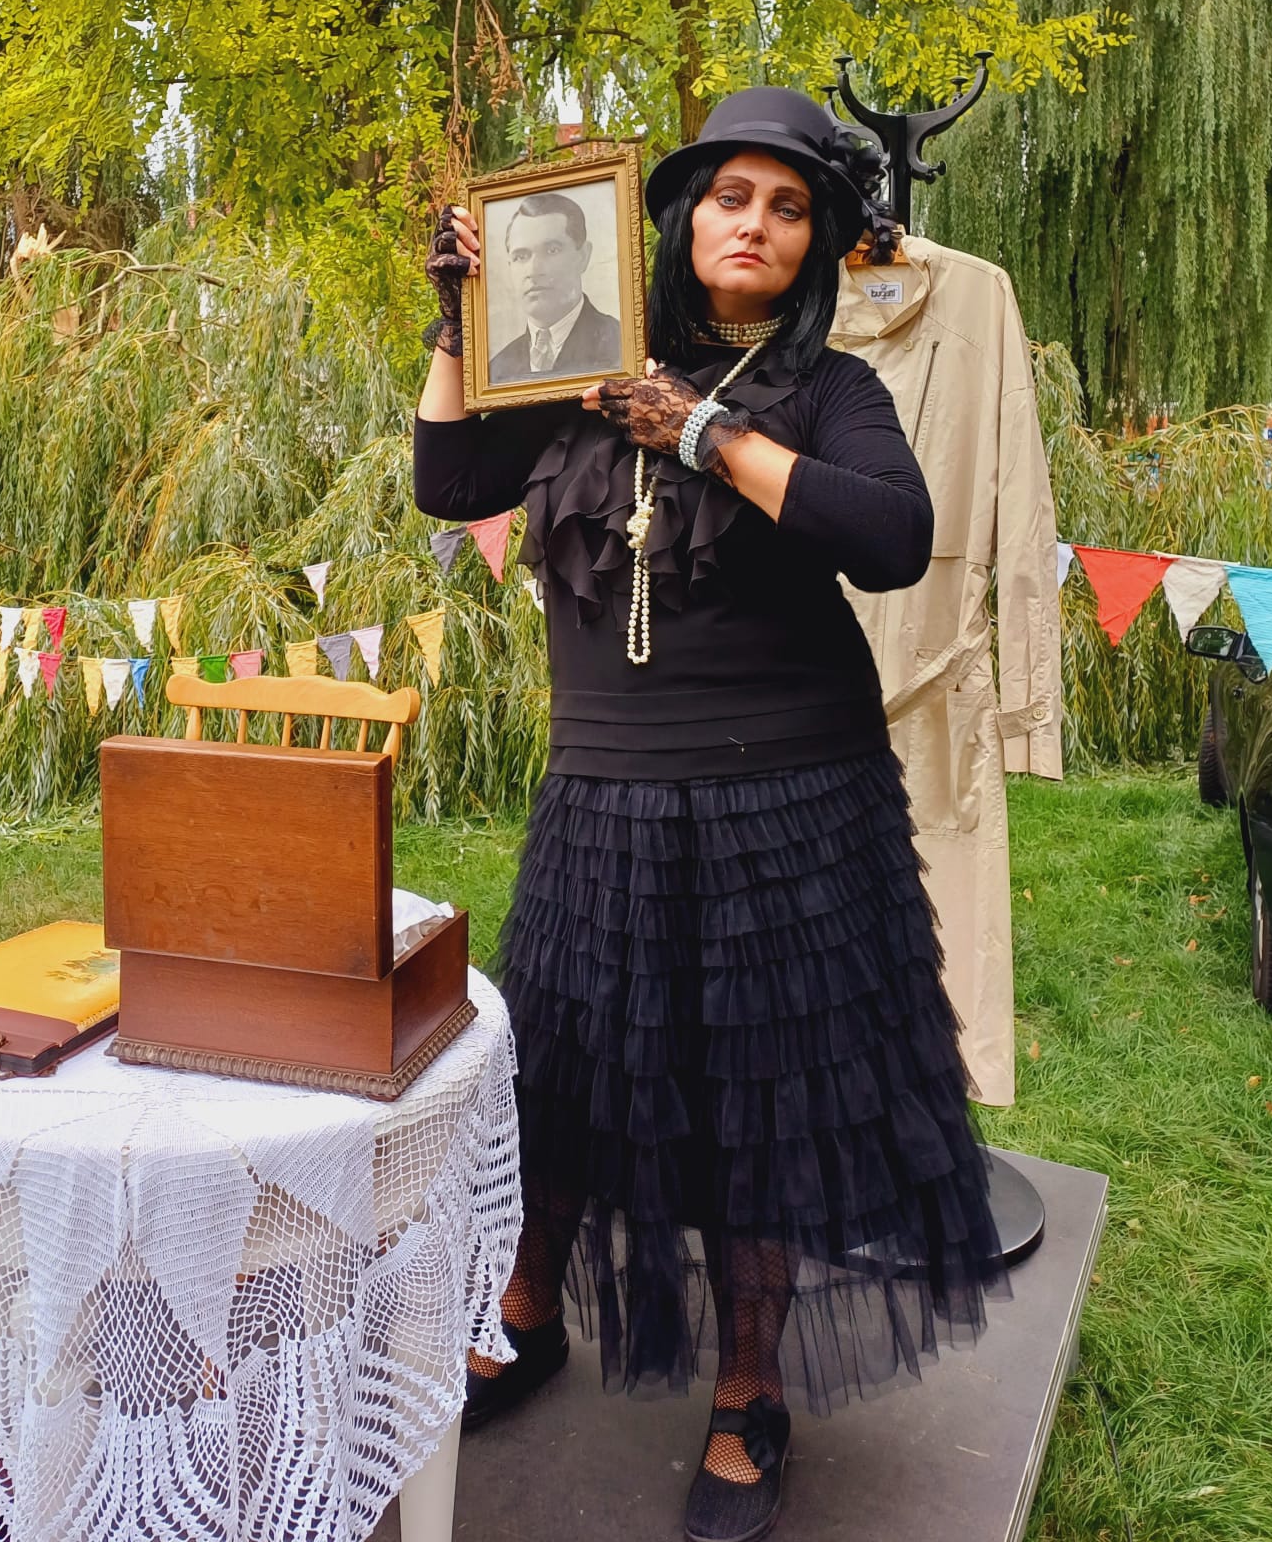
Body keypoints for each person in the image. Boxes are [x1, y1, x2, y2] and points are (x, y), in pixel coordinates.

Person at [414, 87, 1003, 1542]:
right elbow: (446, 478)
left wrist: (704, 433)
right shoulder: (577, 369)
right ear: (681, 218)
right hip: (604, 789)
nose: (756, 224)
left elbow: (895, 536)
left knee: (762, 1098)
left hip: (786, 798)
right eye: (732, 196)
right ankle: (529, 1313)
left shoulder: (828, 392)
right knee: (566, 1070)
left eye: (789, 207)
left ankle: (748, 1393)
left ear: (813, 245)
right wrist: (457, 322)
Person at [488, 191, 622, 381]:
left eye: (552, 250)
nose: (534, 270)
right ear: (510, 266)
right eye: (521, 256)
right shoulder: (496, 371)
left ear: (583, 256)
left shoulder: (621, 345)